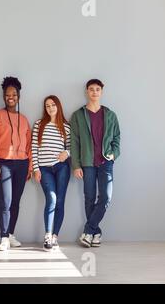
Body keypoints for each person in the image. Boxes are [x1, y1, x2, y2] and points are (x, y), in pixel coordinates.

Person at [70, 79, 120, 248]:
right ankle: (96, 233)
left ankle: (88, 231)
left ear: (101, 92)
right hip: (87, 163)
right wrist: (76, 165)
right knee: (89, 198)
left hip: (106, 162)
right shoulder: (78, 115)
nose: (94, 92)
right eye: (91, 89)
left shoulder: (110, 115)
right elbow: (74, 142)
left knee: (105, 197)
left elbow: (117, 138)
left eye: (97, 89)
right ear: (87, 92)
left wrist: (114, 154)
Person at [0, 76, 33, 251]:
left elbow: (29, 146)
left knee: (15, 202)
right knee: (5, 201)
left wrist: (29, 167)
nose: (10, 97)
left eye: (14, 94)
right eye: (7, 94)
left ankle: (11, 233)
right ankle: (4, 237)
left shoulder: (24, 119)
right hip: (3, 163)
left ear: (19, 97)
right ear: (4, 97)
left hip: (21, 165)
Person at [32, 95, 71, 251]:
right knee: (52, 199)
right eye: (47, 106)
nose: (50, 108)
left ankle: (55, 237)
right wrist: (36, 169)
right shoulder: (38, 125)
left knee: (60, 200)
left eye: (53, 105)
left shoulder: (66, 127)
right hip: (44, 169)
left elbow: (72, 147)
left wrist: (66, 153)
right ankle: (47, 235)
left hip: (61, 167)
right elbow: (34, 148)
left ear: (58, 106)